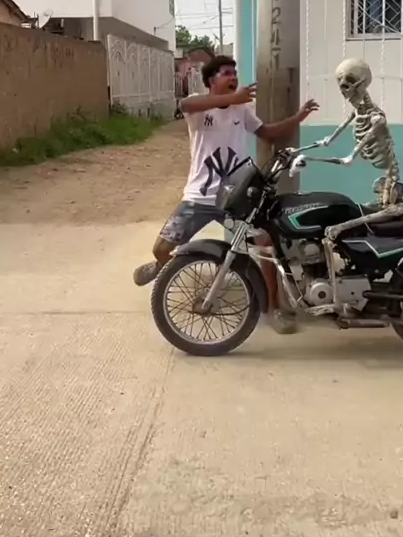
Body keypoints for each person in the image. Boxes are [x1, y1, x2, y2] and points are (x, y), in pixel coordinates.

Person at [134, 55, 319, 333]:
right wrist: (234, 98)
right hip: (199, 197)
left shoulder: (241, 109)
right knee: (161, 249)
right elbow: (185, 105)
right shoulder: (198, 106)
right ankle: (160, 265)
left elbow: (268, 133)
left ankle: (272, 308)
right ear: (211, 80)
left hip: (236, 197)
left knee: (266, 244)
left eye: (235, 73)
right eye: (226, 73)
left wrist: (299, 117)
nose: (233, 77)